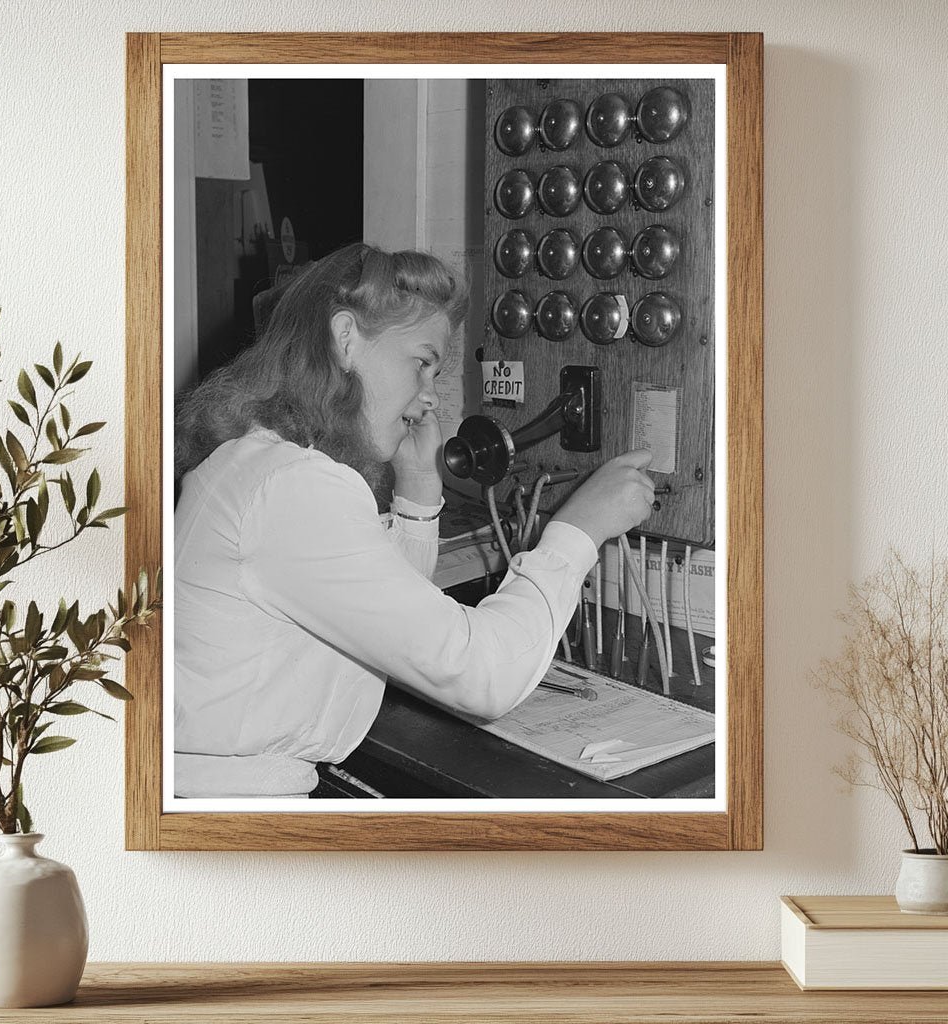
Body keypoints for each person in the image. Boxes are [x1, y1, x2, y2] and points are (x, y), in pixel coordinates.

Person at [173, 243, 654, 799]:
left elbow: (392, 620)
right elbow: (481, 673)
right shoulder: (293, 486)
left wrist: (420, 489)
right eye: (421, 364)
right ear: (347, 339)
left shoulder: (260, 460)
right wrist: (579, 529)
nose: (429, 399)